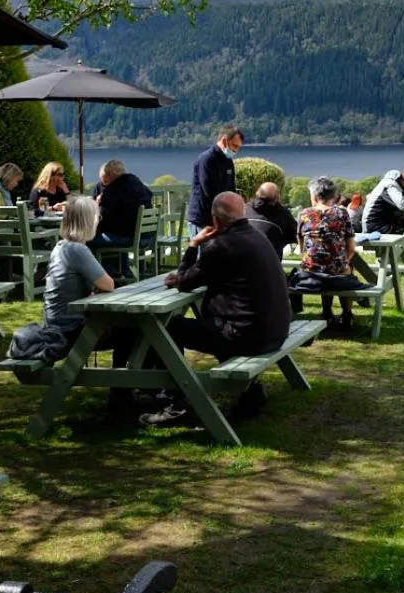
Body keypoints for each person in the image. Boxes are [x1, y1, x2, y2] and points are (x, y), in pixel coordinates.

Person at [140, 192, 290, 427]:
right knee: (216, 323)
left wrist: (193, 245)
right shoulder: (258, 238)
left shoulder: (222, 245)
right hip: (275, 332)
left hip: (248, 337)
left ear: (216, 220)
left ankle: (173, 400)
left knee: (166, 330)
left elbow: (184, 281)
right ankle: (251, 392)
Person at [7, 197, 136, 405]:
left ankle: (124, 390)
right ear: (88, 221)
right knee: (134, 329)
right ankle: (121, 392)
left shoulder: (62, 247)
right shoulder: (77, 249)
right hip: (71, 330)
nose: (98, 221)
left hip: (56, 325)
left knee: (129, 329)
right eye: (96, 217)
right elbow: (108, 284)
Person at [293, 176, 360, 331]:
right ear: (333, 196)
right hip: (335, 270)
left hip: (310, 271)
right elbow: (351, 249)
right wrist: (342, 260)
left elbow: (302, 248)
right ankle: (347, 313)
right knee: (342, 267)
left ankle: (327, 311)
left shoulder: (304, 213)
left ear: (315, 196)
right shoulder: (342, 213)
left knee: (323, 263)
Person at [91, 159, 155, 276]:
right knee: (118, 231)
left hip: (129, 237)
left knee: (88, 238)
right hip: (146, 236)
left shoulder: (113, 191)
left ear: (109, 175)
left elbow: (102, 217)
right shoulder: (139, 185)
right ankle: (124, 271)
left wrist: (97, 205)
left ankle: (103, 275)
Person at [362, 168, 404, 270]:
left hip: (381, 223)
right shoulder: (390, 186)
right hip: (374, 226)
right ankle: (385, 260)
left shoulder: (396, 186)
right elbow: (402, 204)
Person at [186, 124, 243, 236]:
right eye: (234, 146)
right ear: (224, 141)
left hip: (220, 218)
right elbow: (209, 192)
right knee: (203, 253)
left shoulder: (228, 161)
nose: (236, 150)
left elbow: (231, 188)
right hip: (202, 219)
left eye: (238, 147)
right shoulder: (206, 159)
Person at [246, 181, 297, 259]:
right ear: (278, 197)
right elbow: (293, 235)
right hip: (271, 262)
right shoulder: (283, 214)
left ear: (257, 193)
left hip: (244, 259)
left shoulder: (245, 209)